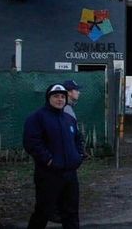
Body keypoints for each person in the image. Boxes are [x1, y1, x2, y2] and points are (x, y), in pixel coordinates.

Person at [23, 83, 84, 229]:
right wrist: (49, 160)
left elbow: (78, 139)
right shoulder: (37, 118)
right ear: (48, 98)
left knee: (71, 212)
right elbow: (32, 143)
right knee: (43, 212)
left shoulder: (69, 119)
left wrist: (79, 156)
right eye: (56, 96)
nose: (60, 99)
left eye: (63, 96)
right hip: (48, 174)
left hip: (70, 174)